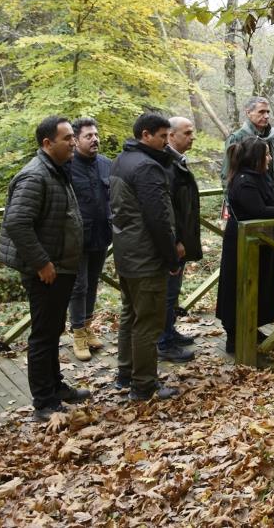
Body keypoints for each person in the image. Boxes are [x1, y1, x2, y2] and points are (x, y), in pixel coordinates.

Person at [0, 116, 89, 421]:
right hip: (47, 270)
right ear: (47, 143)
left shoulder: (56, 171)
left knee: (52, 331)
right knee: (42, 335)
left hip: (60, 266)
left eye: (72, 138)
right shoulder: (35, 176)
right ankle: (44, 402)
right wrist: (42, 263)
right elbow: (17, 223)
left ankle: (55, 387)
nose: (73, 142)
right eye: (67, 138)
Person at [110, 112, 183, 401]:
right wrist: (171, 257)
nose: (167, 143)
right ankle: (143, 384)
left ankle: (125, 373)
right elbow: (159, 218)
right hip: (146, 256)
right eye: (163, 137)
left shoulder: (120, 161)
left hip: (126, 252)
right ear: (145, 135)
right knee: (148, 322)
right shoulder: (146, 168)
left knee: (130, 315)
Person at [217, 137, 274, 353]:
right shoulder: (243, 181)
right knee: (238, 286)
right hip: (242, 243)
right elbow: (258, 210)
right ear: (256, 158)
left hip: (264, 240)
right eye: (267, 154)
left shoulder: (261, 176)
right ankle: (234, 335)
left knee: (262, 284)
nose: (270, 158)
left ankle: (252, 327)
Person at [67, 118, 111, 362]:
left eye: (96, 134)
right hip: (76, 239)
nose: (95, 139)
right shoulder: (67, 166)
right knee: (78, 286)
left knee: (92, 284)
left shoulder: (106, 164)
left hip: (101, 235)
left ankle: (87, 326)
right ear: (75, 140)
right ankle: (77, 334)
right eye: (88, 136)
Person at [157, 116, 201, 361]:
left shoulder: (177, 161)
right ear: (171, 136)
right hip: (174, 242)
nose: (192, 136)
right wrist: (175, 241)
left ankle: (169, 331)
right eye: (187, 132)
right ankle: (163, 342)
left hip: (181, 238)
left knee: (172, 291)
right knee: (167, 291)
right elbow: (167, 209)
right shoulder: (166, 164)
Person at [221, 96, 274, 189]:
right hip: (248, 198)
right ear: (248, 113)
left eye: (267, 112)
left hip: (273, 196)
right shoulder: (237, 138)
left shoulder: (273, 137)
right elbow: (227, 174)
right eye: (261, 112)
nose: (266, 116)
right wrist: (232, 201)